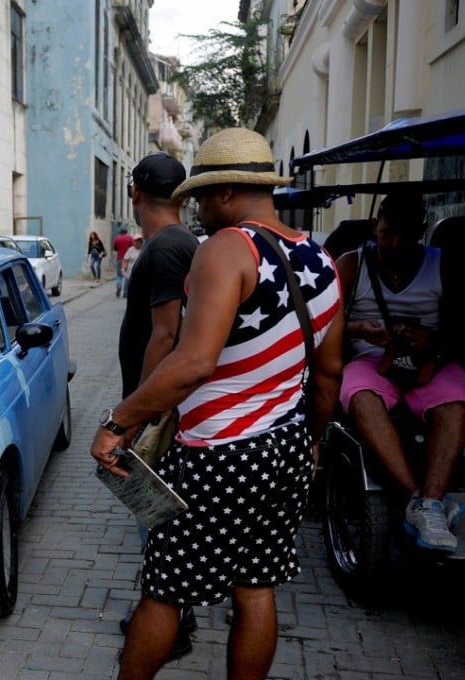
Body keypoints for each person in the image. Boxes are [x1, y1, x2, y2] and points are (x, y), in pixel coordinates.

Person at [92, 127, 344, 680]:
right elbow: (328, 373)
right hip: (287, 450)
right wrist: (316, 441)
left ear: (227, 192)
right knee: (256, 588)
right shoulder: (321, 261)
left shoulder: (228, 249)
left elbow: (192, 362)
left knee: (164, 592)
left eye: (202, 195)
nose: (197, 209)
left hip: (221, 453)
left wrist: (119, 422)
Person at [335, 192, 465, 552]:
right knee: (360, 398)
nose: (393, 243)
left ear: (421, 232)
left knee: (456, 404)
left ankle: (432, 501)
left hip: (429, 365)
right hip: (371, 362)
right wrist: (359, 329)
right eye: (387, 232)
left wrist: (433, 339)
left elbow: (459, 328)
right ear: (375, 225)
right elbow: (319, 328)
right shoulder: (351, 265)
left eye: (405, 235)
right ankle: (417, 500)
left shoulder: (443, 266)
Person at [116, 151, 198, 660]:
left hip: (158, 412)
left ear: (135, 193)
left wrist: (134, 416)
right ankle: (171, 614)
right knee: (159, 517)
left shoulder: (168, 247)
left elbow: (165, 335)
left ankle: (169, 621)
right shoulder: (177, 241)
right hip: (160, 405)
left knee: (155, 517)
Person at [113, 227, 134, 297]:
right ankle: (126, 291)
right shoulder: (130, 238)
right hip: (128, 259)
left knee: (119, 274)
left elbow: (115, 248)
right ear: (126, 231)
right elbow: (132, 247)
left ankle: (119, 285)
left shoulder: (117, 238)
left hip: (120, 258)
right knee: (127, 275)